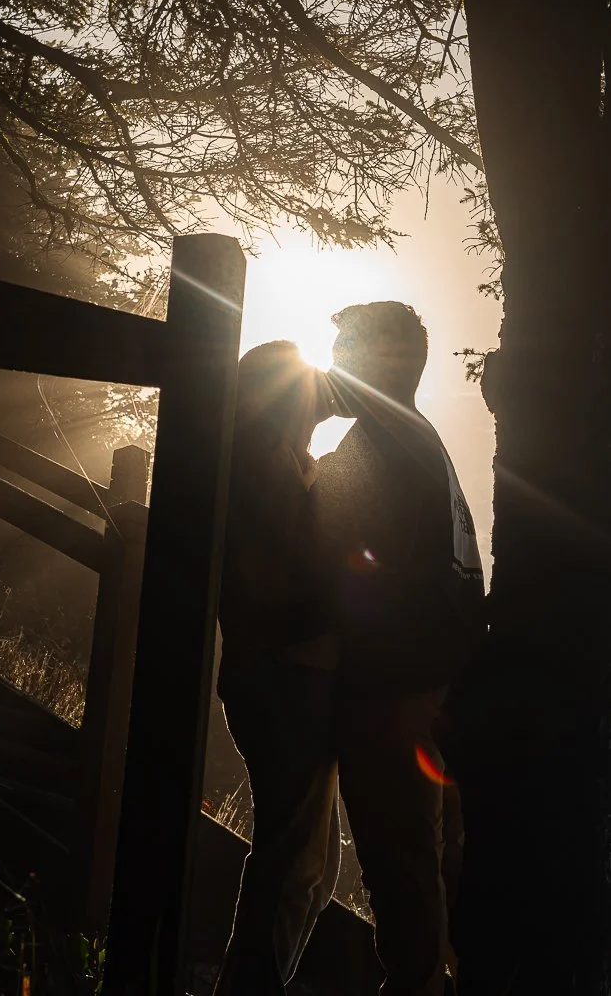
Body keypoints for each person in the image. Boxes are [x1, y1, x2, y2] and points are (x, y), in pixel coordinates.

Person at [314, 302, 486, 996]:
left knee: (399, 861)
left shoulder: (373, 450)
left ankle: (413, 985)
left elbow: (340, 569)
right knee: (434, 860)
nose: (336, 364)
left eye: (347, 349)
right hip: (438, 684)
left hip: (389, 691)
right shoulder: (425, 445)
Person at [214, 340, 342, 996]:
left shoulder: (282, 455)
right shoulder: (262, 455)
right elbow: (286, 575)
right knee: (293, 865)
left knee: (307, 868)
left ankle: (252, 982)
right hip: (284, 674)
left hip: (288, 673)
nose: (319, 389)